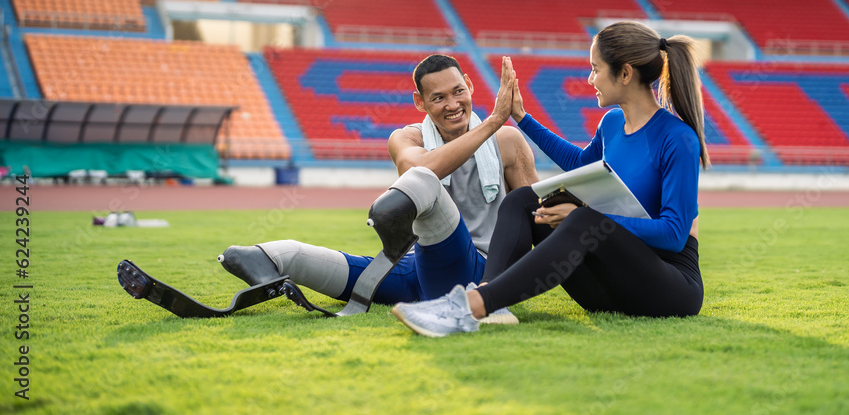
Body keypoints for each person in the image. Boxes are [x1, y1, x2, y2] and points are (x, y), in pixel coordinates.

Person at [391, 22, 709, 336]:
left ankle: (467, 307)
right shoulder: (613, 123)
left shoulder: (677, 138)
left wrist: (589, 217)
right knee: (524, 199)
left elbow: (673, 235)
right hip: (611, 288)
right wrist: (521, 117)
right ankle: (492, 300)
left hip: (669, 288)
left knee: (583, 218)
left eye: (596, 69)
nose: (590, 79)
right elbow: (580, 163)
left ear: (625, 74)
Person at [220, 54, 537, 314]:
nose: (452, 104)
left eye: (457, 91)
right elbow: (423, 169)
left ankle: (391, 225)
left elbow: (538, 214)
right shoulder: (407, 137)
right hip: (420, 270)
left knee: (421, 185)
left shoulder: (507, 139)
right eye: (438, 98)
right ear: (420, 102)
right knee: (283, 256)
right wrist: (495, 119)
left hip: (480, 273)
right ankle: (260, 261)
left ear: (469, 85)